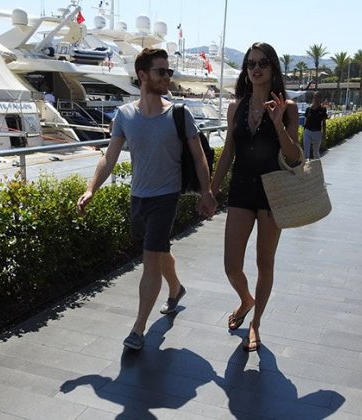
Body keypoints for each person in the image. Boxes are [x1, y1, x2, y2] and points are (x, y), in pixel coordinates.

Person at [77, 48, 217, 350]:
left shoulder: (179, 113)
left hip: (167, 196)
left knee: (150, 258)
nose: (167, 77)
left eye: (169, 72)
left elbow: (199, 157)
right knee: (158, 249)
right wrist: (91, 189)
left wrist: (207, 192)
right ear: (142, 75)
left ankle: (138, 329)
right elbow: (109, 157)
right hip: (138, 196)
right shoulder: (125, 116)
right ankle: (176, 288)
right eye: (160, 71)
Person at [210, 42, 302, 352]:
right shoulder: (236, 107)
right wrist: (211, 190)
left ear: (273, 67)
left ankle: (256, 323)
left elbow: (294, 156)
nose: (256, 68)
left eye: (262, 63)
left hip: (272, 191)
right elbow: (228, 153)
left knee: (265, 262)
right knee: (231, 265)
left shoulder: (288, 107)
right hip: (241, 189)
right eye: (250, 64)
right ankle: (245, 300)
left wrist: (278, 125)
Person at [302, 91, 327, 160]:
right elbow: (305, 121)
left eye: (318, 97)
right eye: (315, 97)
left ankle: (317, 166)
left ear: (321, 99)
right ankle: (306, 166)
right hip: (307, 132)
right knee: (306, 153)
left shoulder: (323, 109)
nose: (316, 99)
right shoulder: (308, 109)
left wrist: (324, 135)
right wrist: (304, 131)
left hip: (317, 132)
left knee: (315, 153)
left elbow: (324, 123)